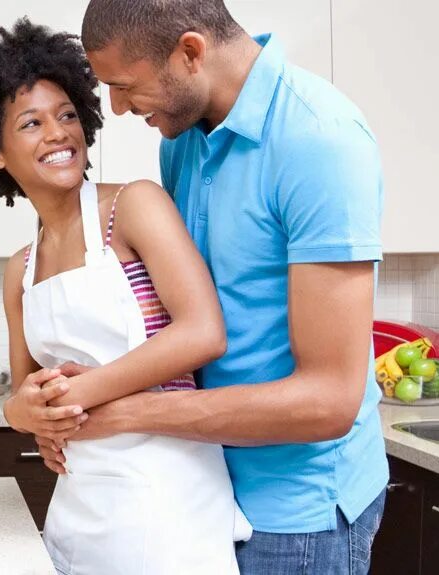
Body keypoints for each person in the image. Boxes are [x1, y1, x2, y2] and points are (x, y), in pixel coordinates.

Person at [28, 1, 388, 573]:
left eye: (124, 86)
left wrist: (125, 412)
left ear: (190, 52)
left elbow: (328, 402)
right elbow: (177, 316)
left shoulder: (319, 141)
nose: (117, 108)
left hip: (296, 513)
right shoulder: (183, 139)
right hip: (199, 488)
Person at [0, 17, 251, 575]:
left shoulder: (134, 206)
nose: (58, 134)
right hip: (79, 511)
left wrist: (75, 401)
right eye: (30, 123)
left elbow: (204, 331)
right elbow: (23, 397)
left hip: (167, 503)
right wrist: (25, 411)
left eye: (66, 116)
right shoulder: (21, 269)